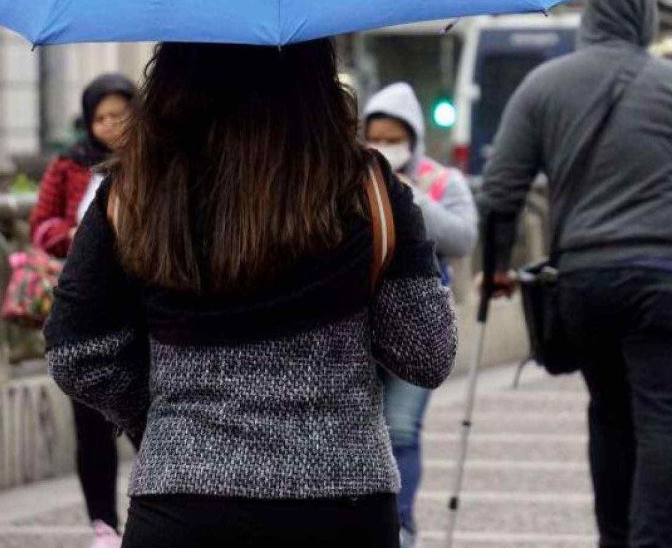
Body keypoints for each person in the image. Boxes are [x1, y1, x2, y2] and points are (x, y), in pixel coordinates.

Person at [44, 40, 457, 548]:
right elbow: (427, 353)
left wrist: (164, 413)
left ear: (173, 74)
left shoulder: (134, 192)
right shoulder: (365, 188)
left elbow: (74, 351)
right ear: (316, 75)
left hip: (182, 500)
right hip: (341, 501)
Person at [479, 0, 672, 548]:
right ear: (646, 21)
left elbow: (500, 192)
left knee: (610, 414)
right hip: (671, 279)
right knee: (667, 421)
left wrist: (498, 264)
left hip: (585, 282)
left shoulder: (542, 87)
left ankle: (615, 540)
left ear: (591, 19)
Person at [363, 82, 478, 548]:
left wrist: (413, 199)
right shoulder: (354, 176)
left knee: (403, 426)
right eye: (376, 135)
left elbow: (463, 238)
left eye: (394, 136)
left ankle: (403, 524)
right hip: (362, 320)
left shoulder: (441, 180)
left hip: (419, 320)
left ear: (412, 136)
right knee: (366, 427)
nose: (384, 145)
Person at [30, 73, 137, 548]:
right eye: (101, 117)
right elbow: (41, 224)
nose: (111, 125)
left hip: (138, 306)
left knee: (147, 417)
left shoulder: (153, 162)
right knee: (90, 420)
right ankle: (103, 524)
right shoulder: (70, 165)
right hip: (87, 303)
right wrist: (72, 238)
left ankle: (159, 507)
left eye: (120, 115)